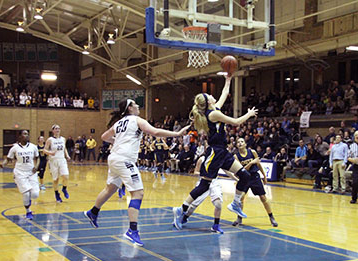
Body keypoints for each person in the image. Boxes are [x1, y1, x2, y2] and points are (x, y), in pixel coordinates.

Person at [83, 99, 189, 247]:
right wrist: (176, 133)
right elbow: (155, 132)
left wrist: (118, 141)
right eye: (136, 104)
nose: (138, 106)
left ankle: (93, 212)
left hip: (114, 158)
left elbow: (104, 137)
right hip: (124, 159)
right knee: (138, 193)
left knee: (110, 188)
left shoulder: (118, 123)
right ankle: (132, 231)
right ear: (130, 108)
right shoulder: (136, 120)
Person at [172, 76, 258, 230]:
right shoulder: (213, 115)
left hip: (223, 152)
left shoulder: (213, 109)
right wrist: (249, 114)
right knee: (204, 186)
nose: (212, 95)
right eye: (209, 95)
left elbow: (224, 94)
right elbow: (236, 122)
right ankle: (182, 209)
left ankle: (236, 203)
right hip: (215, 152)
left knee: (245, 175)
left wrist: (228, 80)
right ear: (208, 101)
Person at [178, 152, 232, 233]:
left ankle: (216, 226)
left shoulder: (218, 158)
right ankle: (184, 218)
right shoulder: (202, 159)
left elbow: (226, 171)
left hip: (214, 183)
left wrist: (237, 179)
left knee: (218, 204)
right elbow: (196, 172)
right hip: (203, 182)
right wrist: (206, 174)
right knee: (192, 206)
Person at [233, 138, 278, 227]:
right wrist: (251, 163)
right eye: (238, 142)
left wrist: (264, 176)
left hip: (254, 177)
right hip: (244, 178)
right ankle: (239, 218)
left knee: (263, 198)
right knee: (241, 198)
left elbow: (258, 164)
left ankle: (271, 217)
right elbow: (241, 170)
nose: (240, 143)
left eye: (242, 141)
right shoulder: (236, 156)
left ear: (245, 144)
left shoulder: (252, 152)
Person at [0, 130, 39, 220]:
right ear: (20, 137)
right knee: (26, 194)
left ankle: (28, 200)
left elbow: (37, 158)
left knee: (35, 195)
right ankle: (28, 211)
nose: (27, 135)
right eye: (24, 134)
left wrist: (36, 167)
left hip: (31, 172)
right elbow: (8, 159)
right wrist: (3, 164)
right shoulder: (15, 148)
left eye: (27, 134)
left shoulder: (33, 147)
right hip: (20, 172)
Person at [44, 124, 71, 203]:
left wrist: (67, 155)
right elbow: (44, 150)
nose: (58, 130)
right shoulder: (50, 140)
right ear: (53, 131)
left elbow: (64, 148)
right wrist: (50, 153)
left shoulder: (63, 139)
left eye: (59, 128)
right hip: (53, 161)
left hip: (62, 160)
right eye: (56, 129)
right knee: (56, 179)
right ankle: (57, 194)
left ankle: (64, 189)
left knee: (66, 176)